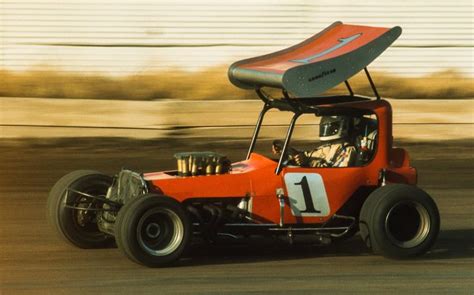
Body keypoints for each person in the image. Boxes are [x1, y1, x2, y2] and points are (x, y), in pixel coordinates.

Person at [272, 115, 356, 168]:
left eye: (331, 125)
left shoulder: (348, 149)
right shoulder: (327, 146)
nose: (326, 127)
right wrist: (286, 150)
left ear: (343, 127)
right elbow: (306, 156)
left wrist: (309, 162)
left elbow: (338, 175)